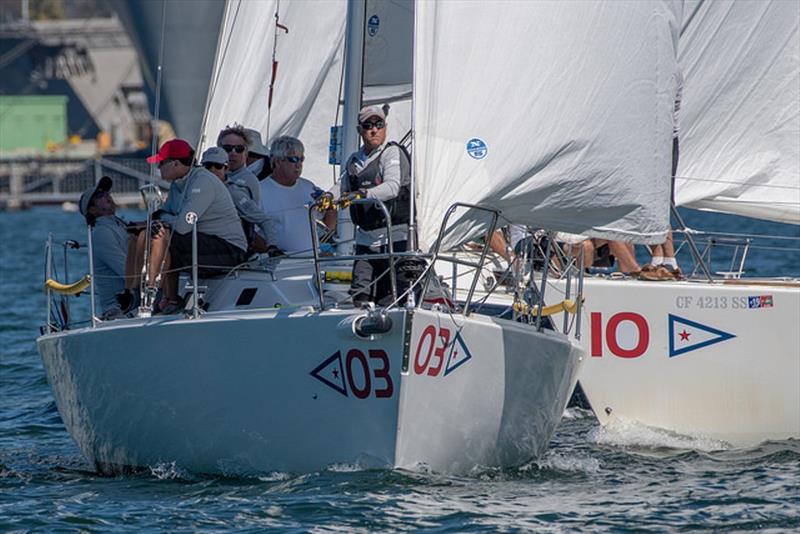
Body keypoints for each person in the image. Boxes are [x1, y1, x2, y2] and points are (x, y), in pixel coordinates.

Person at [145, 138, 247, 313]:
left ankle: (157, 296)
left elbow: (183, 225)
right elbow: (163, 215)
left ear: (175, 164)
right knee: (141, 235)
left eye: (161, 163)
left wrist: (164, 218)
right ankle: (131, 295)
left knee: (164, 235)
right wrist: (160, 219)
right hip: (204, 243)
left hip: (231, 251)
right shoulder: (178, 184)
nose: (158, 168)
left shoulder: (202, 181)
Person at [342, 104, 418, 306]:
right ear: (360, 130)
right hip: (366, 239)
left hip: (395, 237)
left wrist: (363, 194)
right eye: (368, 125)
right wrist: (326, 198)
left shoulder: (391, 152)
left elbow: (392, 187)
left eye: (379, 124)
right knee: (360, 293)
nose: (374, 129)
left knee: (395, 295)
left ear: (385, 126)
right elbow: (342, 188)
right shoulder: (354, 160)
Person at [259, 136, 336, 254]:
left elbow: (329, 225)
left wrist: (330, 207)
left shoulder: (309, 187)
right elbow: (251, 234)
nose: (299, 164)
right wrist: (273, 252)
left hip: (312, 263)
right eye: (293, 159)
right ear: (278, 161)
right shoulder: (260, 191)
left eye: (301, 159)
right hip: (278, 264)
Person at [641, 69, 684, 281]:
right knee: (654, 200)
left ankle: (663, 260)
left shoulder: (668, 71)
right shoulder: (664, 68)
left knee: (658, 201)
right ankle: (665, 260)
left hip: (663, 142)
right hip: (657, 141)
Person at [78, 176, 141, 318]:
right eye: (100, 195)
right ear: (92, 210)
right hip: (120, 309)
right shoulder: (101, 233)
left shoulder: (119, 225)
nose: (107, 195)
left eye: (106, 192)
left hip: (137, 303)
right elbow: (127, 272)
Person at [202, 146, 276, 254]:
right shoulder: (195, 190)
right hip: (203, 243)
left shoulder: (234, 193)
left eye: (218, 166)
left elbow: (265, 220)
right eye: (208, 166)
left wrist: (272, 246)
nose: (212, 170)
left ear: (226, 168)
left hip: (228, 250)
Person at [218, 124, 261, 205]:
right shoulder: (209, 173)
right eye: (227, 148)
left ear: (246, 153)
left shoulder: (249, 180)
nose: (233, 153)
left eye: (239, 149)